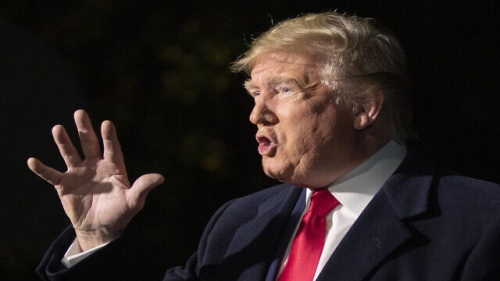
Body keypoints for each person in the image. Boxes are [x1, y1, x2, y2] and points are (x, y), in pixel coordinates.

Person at [28, 12, 500, 281]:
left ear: (365, 108)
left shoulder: (481, 221)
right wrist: (97, 239)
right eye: (255, 94)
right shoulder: (238, 222)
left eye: (286, 89)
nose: (258, 114)